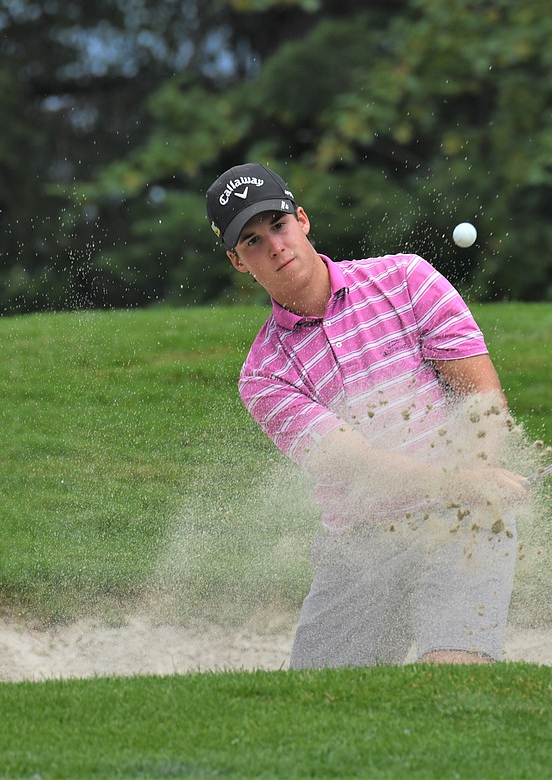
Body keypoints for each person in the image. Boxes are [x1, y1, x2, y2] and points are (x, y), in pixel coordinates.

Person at [205, 162, 528, 669]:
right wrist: (463, 482)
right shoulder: (264, 375)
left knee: (453, 678)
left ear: (303, 220)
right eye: (252, 241)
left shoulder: (407, 279)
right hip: (359, 551)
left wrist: (479, 480)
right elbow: (353, 466)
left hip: (462, 523)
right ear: (237, 261)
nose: (275, 246)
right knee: (317, 710)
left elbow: (481, 400)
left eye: (279, 225)